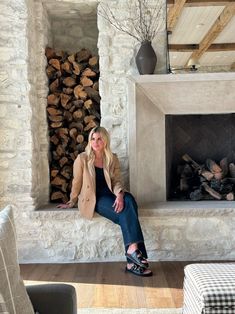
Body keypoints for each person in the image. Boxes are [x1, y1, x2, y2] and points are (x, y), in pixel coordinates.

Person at [57, 126, 152, 277]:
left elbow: (117, 180)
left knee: (129, 199)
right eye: (93, 139)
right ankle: (134, 258)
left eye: (99, 139)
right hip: (95, 198)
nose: (95, 142)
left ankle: (132, 253)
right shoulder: (82, 158)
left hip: (111, 194)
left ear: (105, 140)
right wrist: (71, 201)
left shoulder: (112, 158)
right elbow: (77, 181)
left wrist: (120, 194)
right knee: (126, 212)